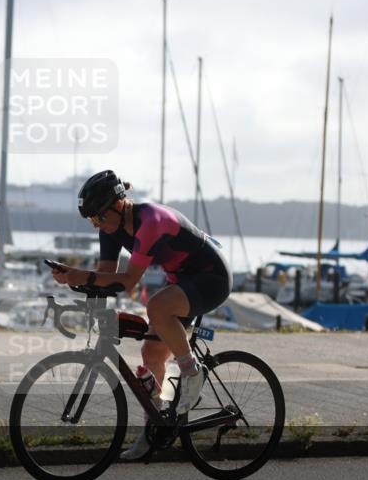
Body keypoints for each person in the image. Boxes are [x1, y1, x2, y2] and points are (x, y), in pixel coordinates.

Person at [50, 170, 233, 460]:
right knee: (152, 354)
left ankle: (192, 372)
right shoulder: (110, 229)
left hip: (212, 277)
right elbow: (106, 276)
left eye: (98, 217)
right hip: (183, 280)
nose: (97, 224)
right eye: (92, 221)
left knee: (157, 307)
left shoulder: (151, 222)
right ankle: (154, 430)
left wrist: (79, 274)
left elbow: (128, 281)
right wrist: (72, 279)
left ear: (118, 204)